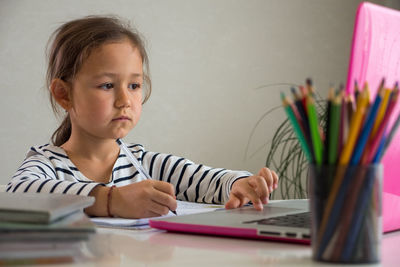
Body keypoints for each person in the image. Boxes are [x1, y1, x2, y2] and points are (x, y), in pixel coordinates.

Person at [7, 16, 279, 219]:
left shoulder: (144, 163)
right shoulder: (48, 164)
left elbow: (206, 179)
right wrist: (111, 201)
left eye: (134, 86)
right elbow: (16, 195)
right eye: (106, 85)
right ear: (63, 94)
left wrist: (242, 183)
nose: (125, 100)